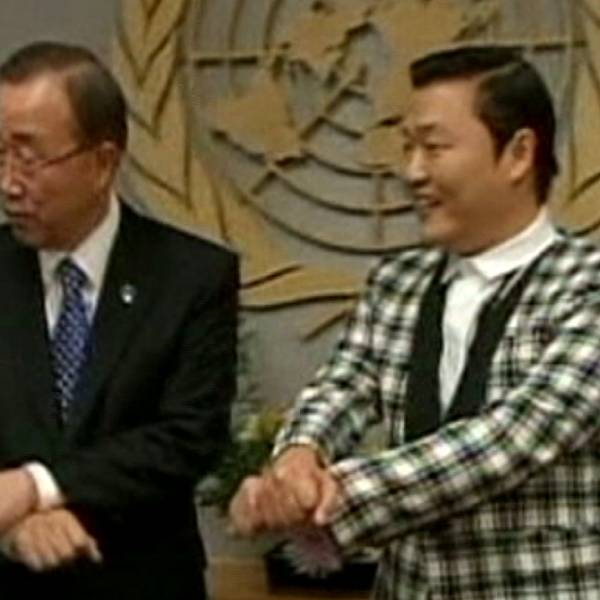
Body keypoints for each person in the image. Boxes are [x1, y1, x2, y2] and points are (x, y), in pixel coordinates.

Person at [229, 45, 600, 598]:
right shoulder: (398, 281)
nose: (413, 172)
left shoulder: (586, 283)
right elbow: (342, 387)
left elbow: (514, 438)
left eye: (434, 147)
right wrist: (297, 457)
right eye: (407, 147)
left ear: (519, 153)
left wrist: (325, 497)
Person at [0, 41, 238, 599]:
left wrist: (39, 488)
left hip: (141, 578)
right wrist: (12, 526)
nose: (9, 183)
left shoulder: (192, 276)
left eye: (29, 158)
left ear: (103, 162)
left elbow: (188, 436)